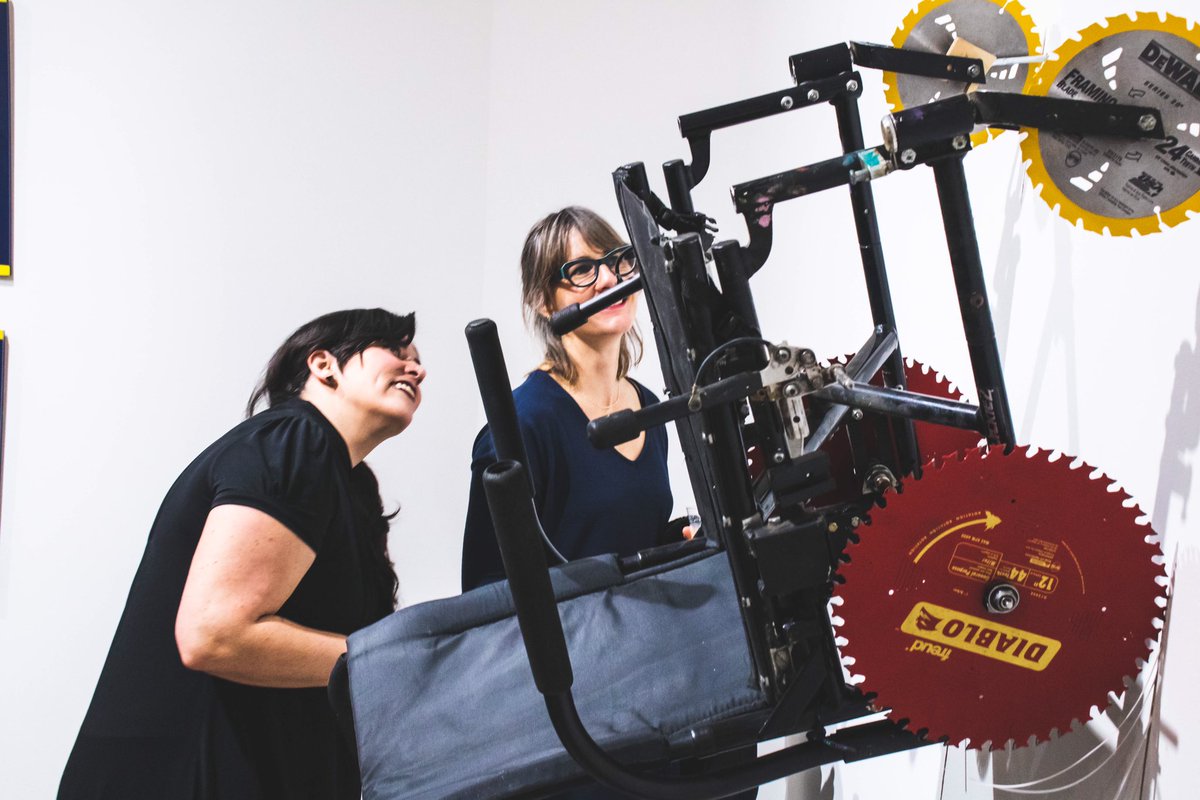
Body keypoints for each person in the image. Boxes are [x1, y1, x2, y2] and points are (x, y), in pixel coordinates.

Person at [58, 308, 426, 800]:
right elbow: (214, 634)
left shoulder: (349, 484)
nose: (417, 370)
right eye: (397, 352)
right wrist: (396, 661)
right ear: (324, 365)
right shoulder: (296, 442)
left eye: (419, 362)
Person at [461, 206, 673, 593]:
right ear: (544, 301)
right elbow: (486, 591)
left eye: (617, 262)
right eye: (582, 270)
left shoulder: (648, 406)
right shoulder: (523, 424)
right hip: (574, 648)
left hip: (649, 641)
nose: (609, 279)